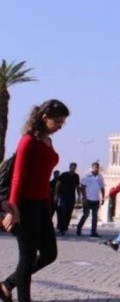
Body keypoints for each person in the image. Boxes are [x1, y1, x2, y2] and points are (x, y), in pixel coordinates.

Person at [1, 99, 69, 302]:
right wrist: (13, 209)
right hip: (25, 205)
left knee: (49, 253)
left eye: (62, 123)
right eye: (57, 121)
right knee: (27, 257)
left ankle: (7, 284)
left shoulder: (47, 140)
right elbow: (18, 177)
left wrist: (48, 206)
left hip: (42, 206)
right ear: (44, 117)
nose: (60, 126)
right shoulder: (28, 140)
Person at [76, 162, 105, 237]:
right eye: (95, 167)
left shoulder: (100, 177)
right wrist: (84, 197)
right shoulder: (86, 176)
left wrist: (103, 198)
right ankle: (79, 228)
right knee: (86, 214)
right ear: (92, 168)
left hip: (96, 199)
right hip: (87, 199)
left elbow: (102, 188)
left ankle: (93, 232)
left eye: (97, 167)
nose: (96, 169)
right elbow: (82, 187)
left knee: (95, 216)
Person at [55, 162, 81, 236]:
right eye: (72, 167)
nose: (73, 169)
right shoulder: (64, 175)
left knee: (69, 213)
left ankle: (65, 228)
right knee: (62, 212)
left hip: (71, 197)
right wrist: (56, 195)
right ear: (69, 167)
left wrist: (79, 196)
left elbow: (77, 186)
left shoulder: (76, 176)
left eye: (74, 167)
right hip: (63, 196)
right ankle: (60, 228)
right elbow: (58, 185)